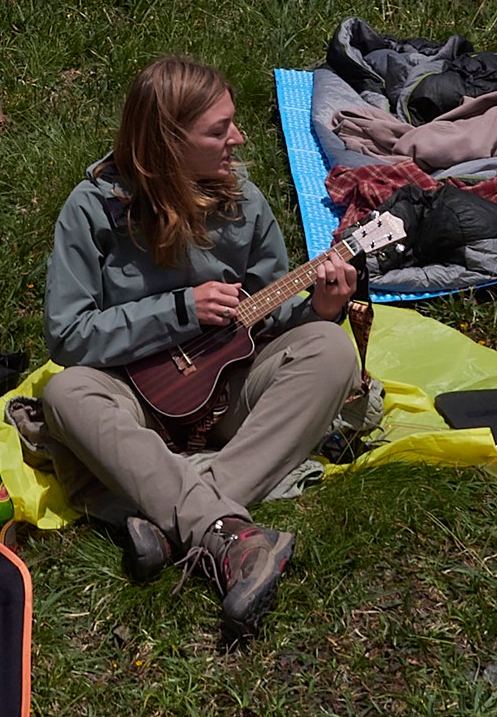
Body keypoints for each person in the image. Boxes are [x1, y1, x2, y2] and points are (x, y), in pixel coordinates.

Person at [37, 55, 383, 640]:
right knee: (65, 393)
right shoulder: (93, 209)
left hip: (226, 393)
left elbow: (273, 315)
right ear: (167, 142)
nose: (238, 138)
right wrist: (178, 311)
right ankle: (229, 534)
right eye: (219, 130)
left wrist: (322, 308)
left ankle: (177, 517)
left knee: (329, 348)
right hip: (132, 394)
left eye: (233, 123)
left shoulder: (244, 202)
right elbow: (68, 335)